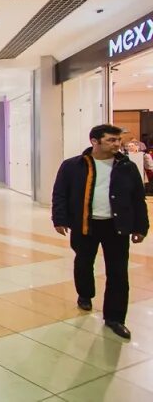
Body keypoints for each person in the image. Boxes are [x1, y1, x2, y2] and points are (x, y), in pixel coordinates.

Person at [52, 124, 149, 339]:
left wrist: (141, 227)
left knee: (118, 272)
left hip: (117, 226)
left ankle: (115, 318)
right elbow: (60, 194)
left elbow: (137, 199)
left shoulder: (127, 167)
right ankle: (85, 294)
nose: (117, 144)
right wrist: (59, 219)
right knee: (84, 261)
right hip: (85, 224)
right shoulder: (72, 166)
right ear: (94, 141)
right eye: (111, 140)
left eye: (118, 140)